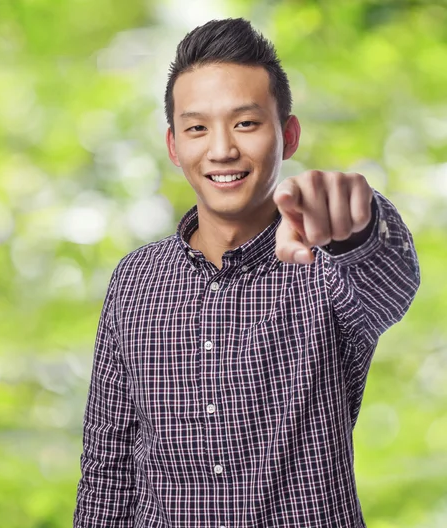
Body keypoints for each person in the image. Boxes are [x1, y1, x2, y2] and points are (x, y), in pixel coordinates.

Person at [73, 18, 420, 528]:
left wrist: (356, 223)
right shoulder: (134, 281)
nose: (221, 150)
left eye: (246, 123)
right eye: (197, 128)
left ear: (289, 135)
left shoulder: (324, 266)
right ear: (174, 146)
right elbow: (109, 467)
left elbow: (389, 279)